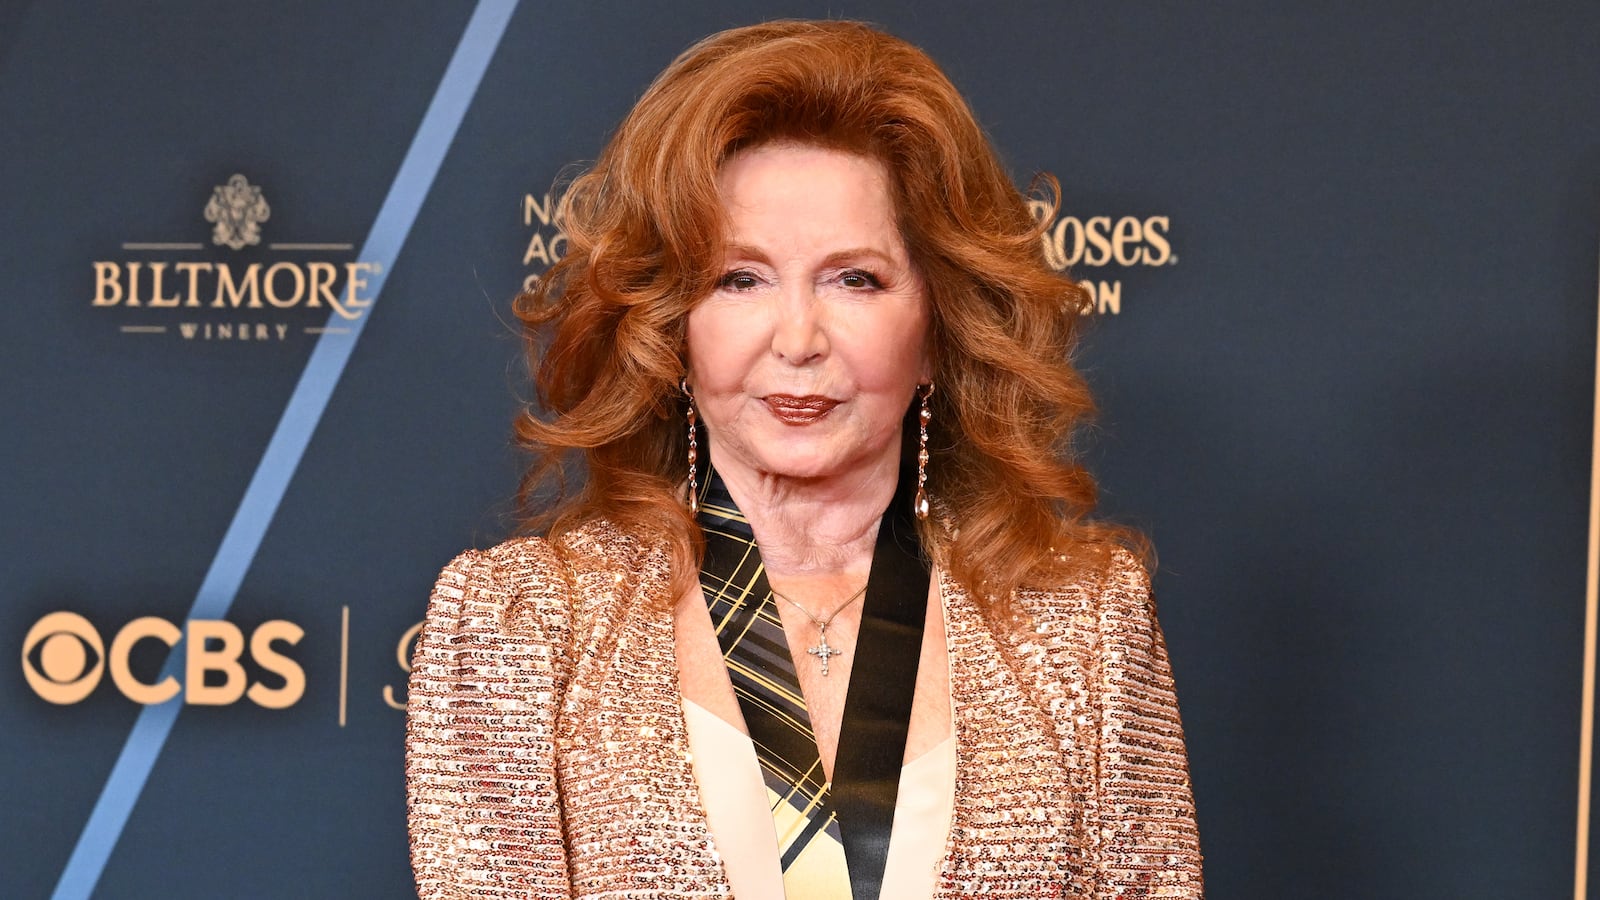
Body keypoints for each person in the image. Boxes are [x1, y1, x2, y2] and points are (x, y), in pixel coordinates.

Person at [406, 19, 1202, 899]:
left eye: (854, 279)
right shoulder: (523, 624)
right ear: (671, 323)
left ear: (940, 326)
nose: (797, 339)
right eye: (739, 279)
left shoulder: (1083, 626)